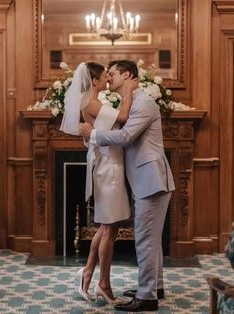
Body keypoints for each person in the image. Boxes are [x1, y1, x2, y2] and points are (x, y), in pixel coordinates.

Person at [78, 59, 175, 312]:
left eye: (112, 73)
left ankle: (147, 297)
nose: (108, 77)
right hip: (145, 178)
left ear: (127, 75)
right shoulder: (131, 101)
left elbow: (126, 136)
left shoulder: (143, 102)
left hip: (151, 179)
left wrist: (93, 135)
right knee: (150, 238)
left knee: (145, 239)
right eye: (106, 74)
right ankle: (155, 287)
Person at [60, 61, 137, 305]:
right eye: (105, 76)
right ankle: (103, 285)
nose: (107, 79)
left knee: (106, 228)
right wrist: (129, 92)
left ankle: (88, 275)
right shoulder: (91, 102)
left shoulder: (89, 102)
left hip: (109, 164)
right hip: (108, 168)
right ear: (94, 81)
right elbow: (123, 118)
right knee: (109, 228)